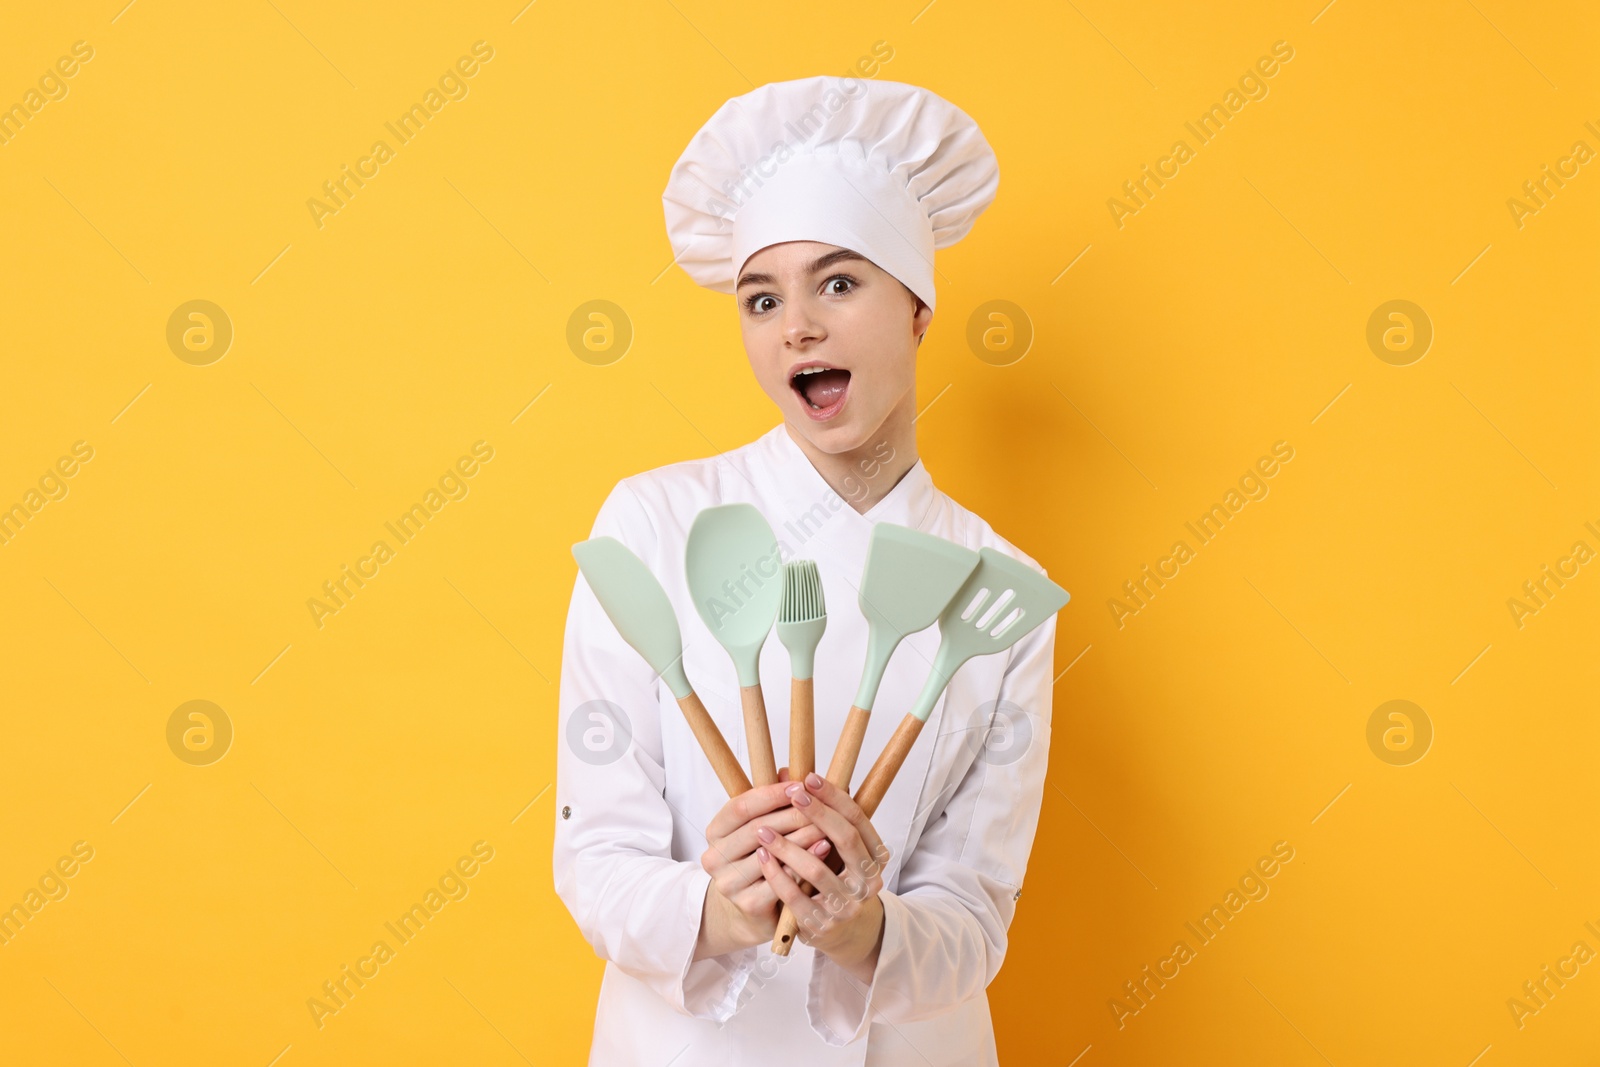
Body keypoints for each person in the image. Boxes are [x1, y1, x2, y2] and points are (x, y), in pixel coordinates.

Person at [553, 74, 1059, 1066]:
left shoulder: (999, 587)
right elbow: (594, 857)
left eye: (838, 282)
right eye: (761, 297)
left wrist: (859, 927)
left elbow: (973, 917)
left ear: (917, 308)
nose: (798, 327)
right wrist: (721, 909)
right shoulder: (653, 524)